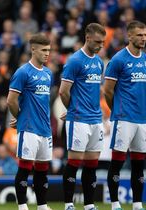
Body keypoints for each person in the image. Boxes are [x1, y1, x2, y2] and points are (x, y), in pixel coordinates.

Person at [59, 23, 106, 210]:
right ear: (87, 38)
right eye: (97, 42)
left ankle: (89, 204)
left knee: (92, 164)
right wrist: (72, 109)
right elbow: (63, 91)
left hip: (96, 119)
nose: (101, 45)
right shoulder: (74, 61)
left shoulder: (99, 62)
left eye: (103, 42)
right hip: (79, 119)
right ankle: (69, 204)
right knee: (74, 162)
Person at [103, 20, 146, 210]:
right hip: (124, 118)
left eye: (145, 35)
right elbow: (108, 91)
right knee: (118, 162)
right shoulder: (118, 60)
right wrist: (117, 111)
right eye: (139, 35)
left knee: (138, 164)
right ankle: (115, 203)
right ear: (129, 36)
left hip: (142, 119)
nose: (143, 38)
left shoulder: (145, 60)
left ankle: (137, 204)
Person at [7, 34, 52, 210]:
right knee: (25, 168)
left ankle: (42, 206)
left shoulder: (48, 73)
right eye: (43, 50)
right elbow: (11, 100)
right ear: (33, 49)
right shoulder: (23, 72)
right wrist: (20, 117)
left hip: (45, 129)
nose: (47, 54)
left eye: (48, 50)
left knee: (42, 170)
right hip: (29, 127)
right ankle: (23, 206)